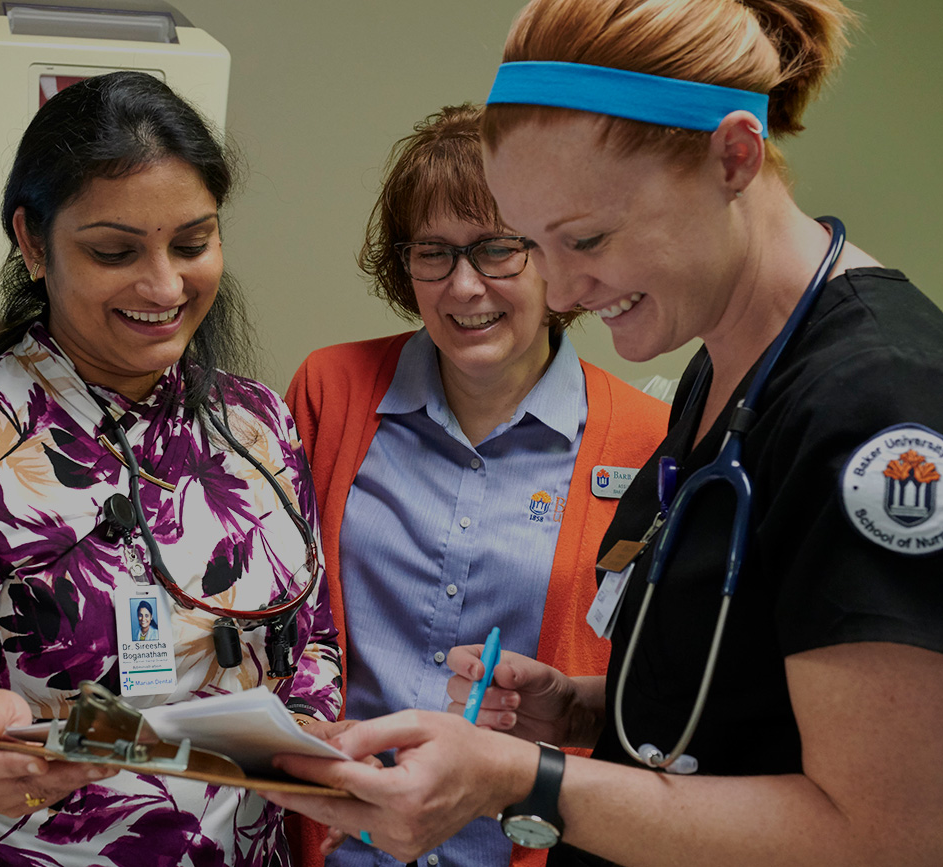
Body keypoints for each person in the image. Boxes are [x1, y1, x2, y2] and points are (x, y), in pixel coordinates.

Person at [262, 2, 943, 866]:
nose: (565, 291)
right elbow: (757, 696)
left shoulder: (888, 415)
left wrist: (520, 777)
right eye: (540, 245)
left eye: (587, 238)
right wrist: (582, 708)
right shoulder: (727, 365)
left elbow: (886, 840)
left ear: (733, 156)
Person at [0, 71, 342, 867]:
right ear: (34, 242)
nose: (165, 285)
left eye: (193, 242)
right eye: (115, 251)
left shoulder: (257, 423)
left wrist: (312, 737)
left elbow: (310, 636)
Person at [284, 103, 667, 867]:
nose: (465, 287)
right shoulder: (331, 390)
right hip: (338, 846)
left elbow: (648, 689)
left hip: (525, 848)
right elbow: (285, 624)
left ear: (555, 257)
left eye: (498, 251)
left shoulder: (648, 440)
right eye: (435, 253)